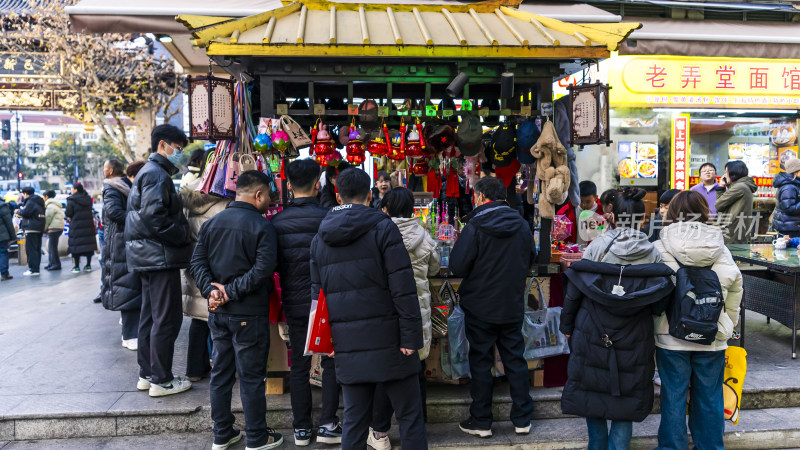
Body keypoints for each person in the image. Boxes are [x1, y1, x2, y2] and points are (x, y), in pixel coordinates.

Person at [310, 168, 427, 449]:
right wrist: (411, 337)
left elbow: (318, 299)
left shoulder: (320, 238)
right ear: (370, 195)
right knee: (410, 417)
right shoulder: (383, 227)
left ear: (338, 196)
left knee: (354, 421)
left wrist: (325, 343)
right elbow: (403, 286)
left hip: (348, 345)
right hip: (393, 342)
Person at [560, 187, 672, 450]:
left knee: (592, 392)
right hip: (635, 332)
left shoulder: (597, 246)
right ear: (643, 219)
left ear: (611, 215)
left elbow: (576, 290)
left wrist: (567, 325)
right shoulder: (653, 252)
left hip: (593, 330)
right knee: (627, 398)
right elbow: (659, 299)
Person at [190, 170, 283, 450]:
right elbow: (263, 270)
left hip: (218, 313)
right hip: (249, 314)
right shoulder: (263, 226)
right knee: (252, 378)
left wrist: (213, 291)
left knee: (221, 374)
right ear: (258, 195)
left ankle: (222, 434)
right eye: (267, 195)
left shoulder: (212, 223)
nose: (268, 200)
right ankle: (256, 437)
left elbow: (197, 264)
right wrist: (229, 291)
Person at [653, 190, 742, 450]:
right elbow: (736, 286)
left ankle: (672, 446)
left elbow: (654, 292)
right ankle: (711, 447)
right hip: (712, 334)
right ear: (705, 211)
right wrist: (728, 325)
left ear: (671, 213)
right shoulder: (720, 247)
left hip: (670, 336)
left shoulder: (659, 247)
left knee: (674, 395)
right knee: (710, 396)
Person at [449, 177, 536, 438]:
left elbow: (458, 266)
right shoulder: (521, 225)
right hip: (510, 303)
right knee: (515, 360)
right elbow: (531, 257)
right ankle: (522, 419)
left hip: (480, 306)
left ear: (480, 196)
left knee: (480, 361)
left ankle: (482, 421)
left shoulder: (474, 225)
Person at [271, 159, 341, 447]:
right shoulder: (330, 218)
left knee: (298, 366)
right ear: (318, 184)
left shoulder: (276, 223)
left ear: (288, 186)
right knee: (330, 363)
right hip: (327, 302)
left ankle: (301, 429)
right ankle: (327, 424)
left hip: (295, 302)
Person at [369, 187, 441, 449]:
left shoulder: (377, 233)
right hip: (417, 312)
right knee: (416, 371)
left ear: (385, 209)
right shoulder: (423, 235)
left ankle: (379, 433)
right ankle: (417, 428)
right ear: (411, 209)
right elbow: (434, 268)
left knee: (386, 374)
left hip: (387, 314)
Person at [125, 124, 194, 397]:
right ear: (163, 145)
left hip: (146, 255)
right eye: (179, 148)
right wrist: (182, 234)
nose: (181, 154)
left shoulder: (148, 172)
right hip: (158, 255)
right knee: (166, 318)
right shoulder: (156, 175)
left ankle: (148, 373)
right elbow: (154, 217)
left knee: (150, 317)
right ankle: (162, 380)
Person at [180, 150, 231, 383]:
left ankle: (194, 369)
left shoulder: (189, 195)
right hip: (217, 265)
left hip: (194, 264)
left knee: (199, 319)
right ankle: (224, 369)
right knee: (218, 318)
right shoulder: (225, 200)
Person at [101, 159, 142, 351]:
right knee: (128, 287)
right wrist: (140, 220)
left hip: (123, 241)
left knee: (131, 287)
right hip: (119, 242)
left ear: (109, 171)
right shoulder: (114, 188)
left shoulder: (118, 186)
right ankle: (129, 334)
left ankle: (131, 331)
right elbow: (113, 212)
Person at [715, 160, 757, 244]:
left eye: (726, 172)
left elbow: (718, 205)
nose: (725, 175)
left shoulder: (739, 187)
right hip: (737, 231)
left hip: (732, 232)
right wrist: (724, 186)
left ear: (733, 173)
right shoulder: (742, 186)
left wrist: (721, 187)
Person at [557, 180, 603, 245]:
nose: (584, 205)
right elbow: (558, 236)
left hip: (594, 252)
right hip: (573, 252)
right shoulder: (566, 211)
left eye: (588, 202)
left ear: (596, 198)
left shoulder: (602, 212)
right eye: (581, 201)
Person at [65, 183, 98, 273]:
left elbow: (68, 213)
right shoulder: (88, 199)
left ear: (75, 190)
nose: (71, 190)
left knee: (76, 246)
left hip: (76, 226)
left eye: (72, 188)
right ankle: (88, 265)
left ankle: (76, 267)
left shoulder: (71, 200)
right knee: (88, 245)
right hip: (88, 225)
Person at [15, 187, 45, 276]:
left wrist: (18, 211)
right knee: (36, 249)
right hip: (39, 227)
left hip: (31, 228)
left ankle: (33, 269)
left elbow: (25, 213)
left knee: (31, 249)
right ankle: (36, 268)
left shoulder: (30, 201)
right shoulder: (39, 201)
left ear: (25, 194)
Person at [772, 158, 800, 237]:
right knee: (791, 249)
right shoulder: (789, 187)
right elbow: (789, 208)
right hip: (790, 230)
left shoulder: (794, 184)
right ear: (795, 171)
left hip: (792, 226)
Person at [43, 190, 64, 271]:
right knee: (51, 246)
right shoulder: (55, 204)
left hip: (54, 228)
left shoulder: (50, 205)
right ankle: (51, 263)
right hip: (57, 227)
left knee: (52, 247)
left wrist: (44, 228)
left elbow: (47, 218)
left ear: (47, 197)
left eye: (44, 197)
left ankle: (56, 264)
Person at [0, 197, 15, 280]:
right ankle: (4, 273)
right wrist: (13, 237)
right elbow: (9, 223)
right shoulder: (2, 206)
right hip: (2, 235)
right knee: (3, 253)